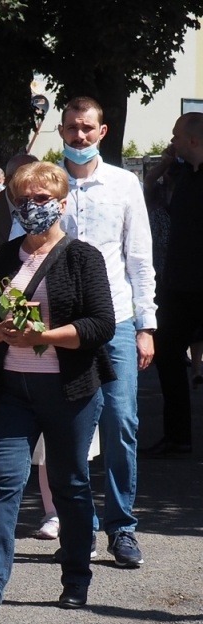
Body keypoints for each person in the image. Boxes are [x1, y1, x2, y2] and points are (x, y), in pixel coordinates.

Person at [0, 161, 116, 617]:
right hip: (11, 388)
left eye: (42, 199)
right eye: (23, 200)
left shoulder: (82, 257)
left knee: (69, 483)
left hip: (71, 391)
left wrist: (42, 337)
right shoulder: (5, 256)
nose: (32, 207)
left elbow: (100, 324)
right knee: (5, 482)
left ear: (62, 204)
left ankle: (76, 577)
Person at [57, 96, 155, 569]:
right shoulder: (46, 183)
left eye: (87, 128)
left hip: (114, 320)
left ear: (102, 131)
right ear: (60, 131)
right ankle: (78, 528)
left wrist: (146, 325)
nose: (79, 136)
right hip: (60, 326)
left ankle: (122, 527)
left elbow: (139, 258)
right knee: (69, 430)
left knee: (121, 423)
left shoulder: (123, 184)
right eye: (72, 128)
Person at [148, 113, 203, 458]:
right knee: (167, 353)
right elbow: (147, 191)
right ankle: (177, 436)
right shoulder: (183, 174)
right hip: (180, 285)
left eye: (177, 137)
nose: (172, 142)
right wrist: (166, 162)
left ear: (194, 141)